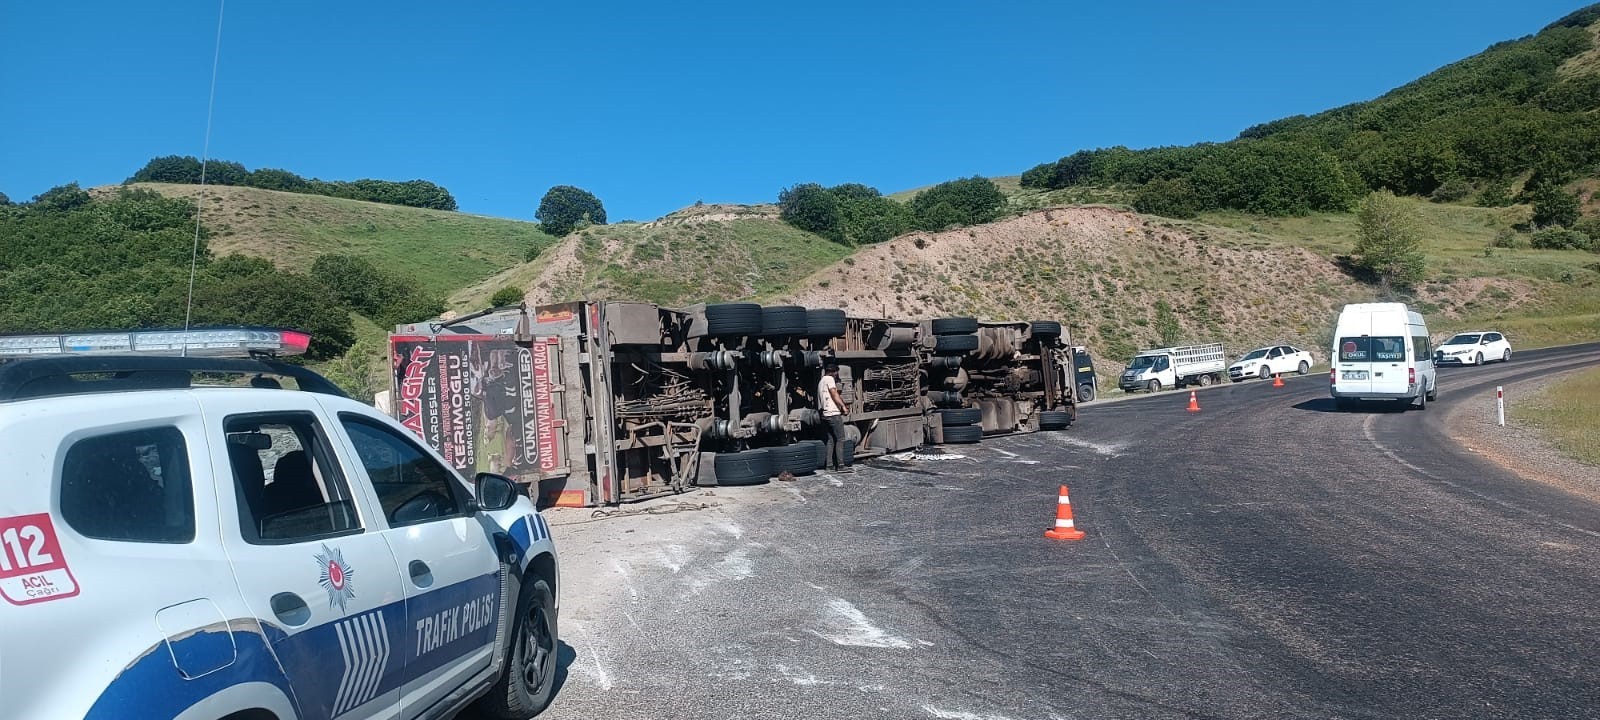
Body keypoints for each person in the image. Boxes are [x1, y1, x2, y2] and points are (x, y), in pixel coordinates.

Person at [819, 362, 853, 472]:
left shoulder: (821, 381)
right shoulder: (829, 379)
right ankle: (841, 465)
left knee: (830, 440)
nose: (837, 375)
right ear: (834, 372)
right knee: (841, 439)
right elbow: (834, 393)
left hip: (825, 414)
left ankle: (829, 466)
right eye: (836, 373)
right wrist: (843, 407)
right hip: (833, 414)